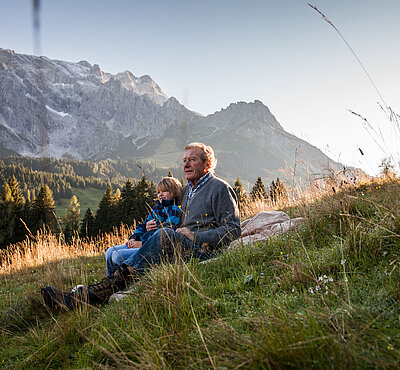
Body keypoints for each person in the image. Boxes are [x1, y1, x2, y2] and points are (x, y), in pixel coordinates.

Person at [41, 143, 241, 311]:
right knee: (124, 251)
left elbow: (233, 229)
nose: (186, 165)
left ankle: (92, 293)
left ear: (207, 164)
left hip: (204, 252)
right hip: (179, 247)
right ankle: (94, 294)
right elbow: (170, 214)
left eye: (192, 160)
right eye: (184, 160)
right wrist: (148, 227)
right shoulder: (186, 190)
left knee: (164, 236)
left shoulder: (220, 188)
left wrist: (195, 237)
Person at [105, 176, 183, 277]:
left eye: (165, 191)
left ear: (174, 192)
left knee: (117, 256)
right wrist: (133, 238)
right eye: (159, 192)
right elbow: (142, 226)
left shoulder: (174, 210)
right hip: (141, 242)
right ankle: (110, 281)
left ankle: (123, 280)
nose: (161, 195)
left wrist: (142, 243)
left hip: (150, 247)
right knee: (109, 251)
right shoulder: (156, 209)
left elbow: (165, 233)